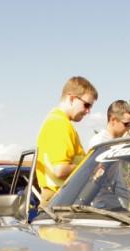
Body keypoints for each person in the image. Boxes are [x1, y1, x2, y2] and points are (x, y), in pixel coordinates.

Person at [35, 76, 98, 206]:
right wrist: (90, 166)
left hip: (60, 200)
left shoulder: (59, 122)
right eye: (86, 105)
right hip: (59, 203)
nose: (88, 111)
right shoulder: (59, 124)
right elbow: (60, 169)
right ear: (72, 98)